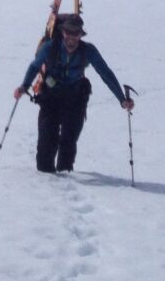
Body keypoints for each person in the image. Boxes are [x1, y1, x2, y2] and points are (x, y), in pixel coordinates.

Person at [14, 13, 133, 174]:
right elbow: (35, 66)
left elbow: (105, 73)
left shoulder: (88, 51)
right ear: (63, 32)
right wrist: (24, 87)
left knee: (69, 143)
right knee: (46, 146)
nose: (71, 37)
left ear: (80, 35)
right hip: (51, 98)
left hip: (75, 99)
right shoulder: (50, 48)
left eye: (75, 33)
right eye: (68, 33)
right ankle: (44, 184)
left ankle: (65, 181)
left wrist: (121, 99)